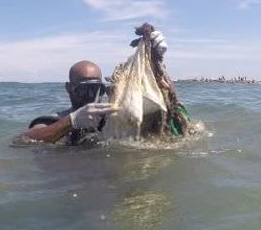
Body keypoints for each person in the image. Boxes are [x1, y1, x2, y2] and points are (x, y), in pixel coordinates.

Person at [17, 30, 168, 145]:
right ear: (69, 88)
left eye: (97, 89)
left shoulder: (111, 120)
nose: (91, 96)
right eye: (84, 89)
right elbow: (21, 141)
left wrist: (155, 57)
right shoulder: (54, 121)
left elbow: (157, 109)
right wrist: (71, 122)